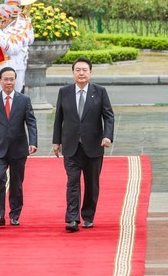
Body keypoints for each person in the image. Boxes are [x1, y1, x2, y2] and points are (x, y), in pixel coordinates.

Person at [52, 56, 115, 232]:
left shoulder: (99, 91)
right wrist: (56, 141)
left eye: (84, 70)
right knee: (72, 181)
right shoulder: (64, 92)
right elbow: (59, 118)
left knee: (91, 183)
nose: (81, 73)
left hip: (94, 146)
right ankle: (72, 218)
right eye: (78, 70)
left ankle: (88, 215)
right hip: (71, 145)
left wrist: (107, 136)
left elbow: (108, 116)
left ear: (90, 73)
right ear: (73, 73)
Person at [0, 67, 37, 227]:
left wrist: (33, 142)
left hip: (19, 148)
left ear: (15, 80)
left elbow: (31, 122)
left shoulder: (24, 100)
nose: (9, 82)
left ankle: (14, 214)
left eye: (12, 79)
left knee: (16, 183)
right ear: (0, 81)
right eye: (6, 79)